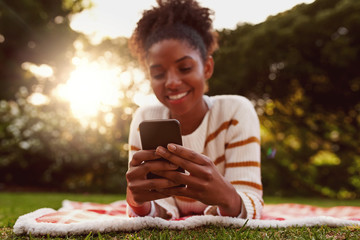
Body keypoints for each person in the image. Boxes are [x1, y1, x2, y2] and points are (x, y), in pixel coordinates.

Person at [126, 0, 263, 219]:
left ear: (207, 67)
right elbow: (152, 211)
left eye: (185, 68)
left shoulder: (235, 112)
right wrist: (137, 201)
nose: (172, 82)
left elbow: (250, 200)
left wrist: (228, 198)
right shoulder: (145, 118)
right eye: (159, 74)